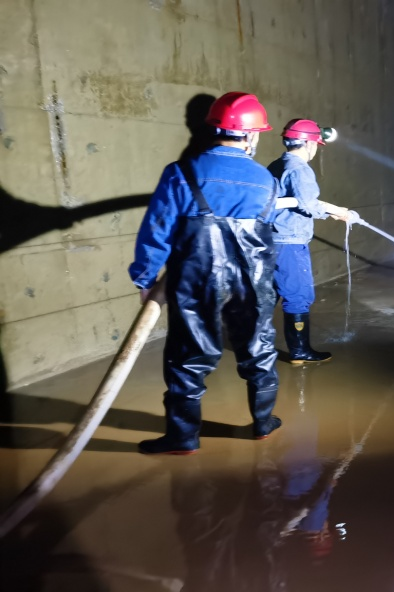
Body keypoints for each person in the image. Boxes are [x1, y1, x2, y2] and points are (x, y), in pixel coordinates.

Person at [129, 92, 283, 455]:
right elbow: (268, 228)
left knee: (188, 355)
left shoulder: (181, 172)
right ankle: (262, 423)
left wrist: (145, 278)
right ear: (251, 135)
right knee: (258, 348)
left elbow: (157, 229)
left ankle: (183, 437)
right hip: (254, 278)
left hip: (198, 275)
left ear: (212, 127)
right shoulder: (266, 181)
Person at [267, 119, 355, 364]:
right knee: (298, 295)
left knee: (269, 294)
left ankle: (255, 346)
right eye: (316, 143)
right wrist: (335, 211)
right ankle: (300, 352)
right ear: (307, 143)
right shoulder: (300, 169)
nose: (316, 148)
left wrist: (331, 209)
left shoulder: (276, 165)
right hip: (291, 241)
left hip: (272, 239)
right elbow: (307, 204)